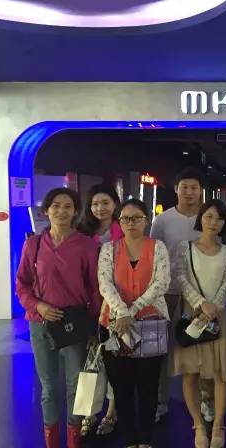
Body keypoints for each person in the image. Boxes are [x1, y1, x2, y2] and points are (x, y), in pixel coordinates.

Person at [16, 188, 101, 448]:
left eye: (67, 206)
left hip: (75, 325)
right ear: (46, 211)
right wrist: (38, 306)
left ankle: (75, 439)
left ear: (75, 212)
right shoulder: (33, 244)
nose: (61, 211)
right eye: (55, 206)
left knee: (77, 385)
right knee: (49, 388)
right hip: (41, 324)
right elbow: (22, 284)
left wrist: (95, 327)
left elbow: (95, 289)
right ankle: (51, 442)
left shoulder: (87, 245)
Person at [98, 199, 171, 448]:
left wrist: (132, 310)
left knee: (149, 386)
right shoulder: (109, 249)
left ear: (146, 220)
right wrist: (122, 312)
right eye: (126, 218)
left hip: (151, 324)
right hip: (114, 326)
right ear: (119, 222)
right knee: (121, 386)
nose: (131, 223)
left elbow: (162, 282)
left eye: (137, 218)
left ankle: (146, 439)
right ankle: (129, 439)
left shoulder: (157, 247)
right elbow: (104, 284)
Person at [172, 200, 226, 448]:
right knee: (190, 373)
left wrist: (214, 306)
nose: (213, 222)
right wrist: (200, 304)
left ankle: (218, 425)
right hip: (193, 315)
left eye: (219, 218)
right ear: (200, 218)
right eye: (209, 216)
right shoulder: (185, 247)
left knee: (221, 373)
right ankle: (198, 425)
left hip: (218, 315)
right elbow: (180, 278)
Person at [150, 169, 213, 422]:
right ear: (176, 189)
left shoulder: (208, 218)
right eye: (184, 187)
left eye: (194, 187)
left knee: (201, 348)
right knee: (160, 349)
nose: (189, 192)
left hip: (199, 294)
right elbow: (153, 255)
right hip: (168, 292)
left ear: (201, 191)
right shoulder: (162, 221)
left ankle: (206, 401)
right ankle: (159, 401)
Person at [77, 183, 124, 436]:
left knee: (116, 360)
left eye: (105, 203)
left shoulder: (125, 230)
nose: (100, 208)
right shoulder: (81, 233)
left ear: (115, 204)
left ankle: (111, 412)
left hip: (118, 305)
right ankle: (88, 413)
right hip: (89, 305)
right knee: (90, 362)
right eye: (95, 203)